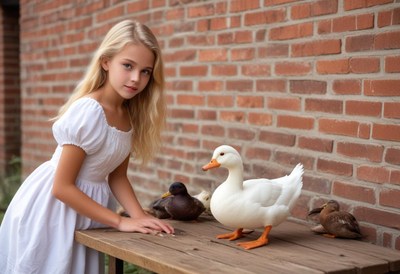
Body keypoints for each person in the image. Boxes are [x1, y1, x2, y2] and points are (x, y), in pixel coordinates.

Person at [0, 20, 174, 274]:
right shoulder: (90, 111)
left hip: (86, 210)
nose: (136, 78)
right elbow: (62, 187)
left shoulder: (127, 115)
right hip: (53, 210)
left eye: (146, 71)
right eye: (127, 66)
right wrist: (119, 222)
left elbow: (117, 176)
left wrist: (138, 217)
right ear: (106, 62)